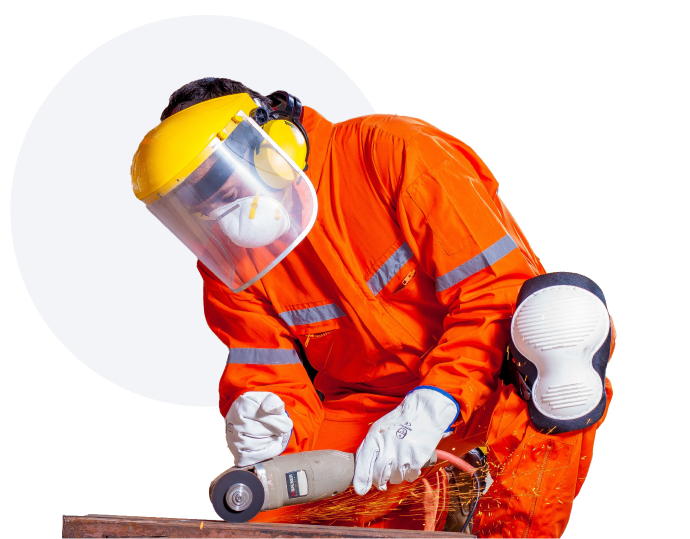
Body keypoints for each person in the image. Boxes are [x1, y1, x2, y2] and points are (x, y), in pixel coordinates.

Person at [131, 77, 615, 538]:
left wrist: (436, 401)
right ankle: (441, 497)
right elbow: (266, 369)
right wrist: (267, 422)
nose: (220, 210)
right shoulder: (229, 260)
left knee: (561, 328)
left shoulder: (391, 152)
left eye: (221, 182)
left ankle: (508, 534)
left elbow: (496, 291)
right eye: (197, 200)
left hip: (492, 374)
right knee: (276, 504)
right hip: (374, 404)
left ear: (270, 143)